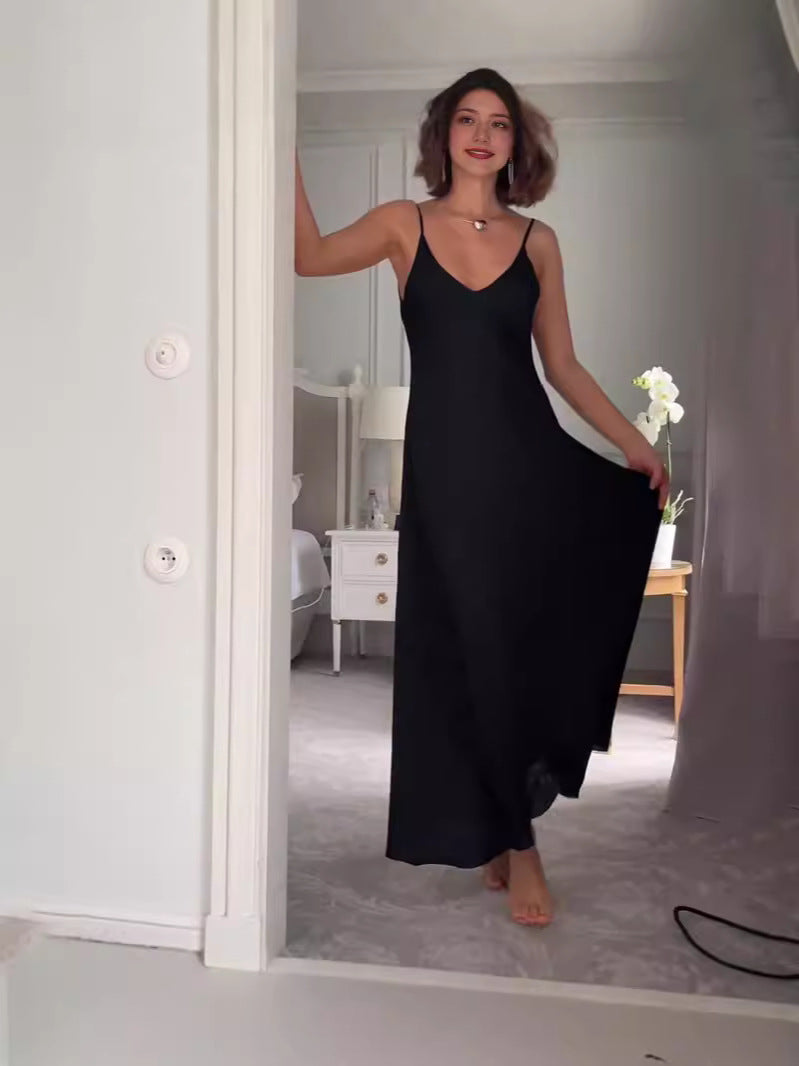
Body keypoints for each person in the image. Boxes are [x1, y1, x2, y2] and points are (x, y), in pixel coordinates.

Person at [294, 68, 667, 927]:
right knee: (465, 652)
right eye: (466, 119)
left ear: (514, 144)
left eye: (498, 123)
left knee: (515, 648)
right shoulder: (403, 225)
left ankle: (514, 838)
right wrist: (278, 147)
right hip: (445, 476)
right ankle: (510, 837)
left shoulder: (537, 242)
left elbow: (560, 366)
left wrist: (633, 442)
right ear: (444, 135)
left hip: (527, 471)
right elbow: (308, 257)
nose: (480, 135)